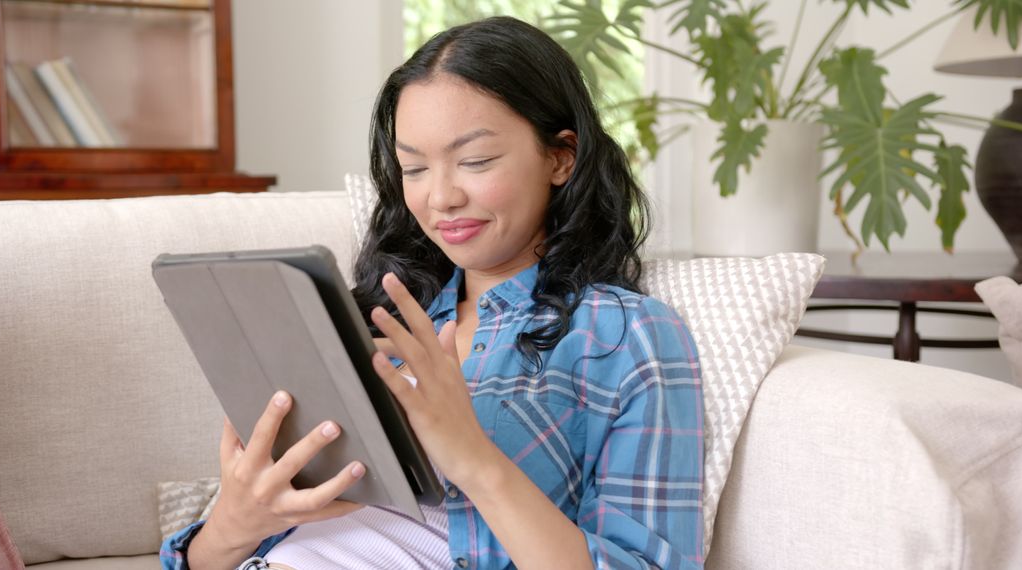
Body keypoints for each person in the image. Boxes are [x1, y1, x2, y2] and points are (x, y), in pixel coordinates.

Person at [161, 15, 703, 570]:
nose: (440, 197)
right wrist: (236, 522)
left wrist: (474, 460)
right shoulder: (367, 315)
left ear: (561, 156)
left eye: (475, 161)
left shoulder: (626, 334)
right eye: (414, 168)